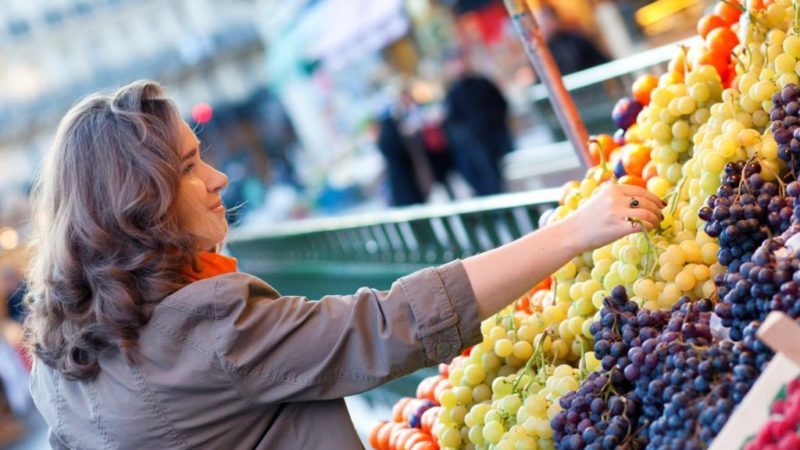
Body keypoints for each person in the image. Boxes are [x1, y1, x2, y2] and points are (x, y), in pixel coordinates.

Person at [23, 81, 664, 449]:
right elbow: (391, 326)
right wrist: (575, 232)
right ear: (141, 205)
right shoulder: (207, 325)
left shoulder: (58, 363)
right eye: (189, 169)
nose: (217, 178)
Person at [444, 53, 513, 196]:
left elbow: (501, 105)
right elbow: (453, 124)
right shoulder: (453, 94)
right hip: (476, 148)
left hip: (496, 140)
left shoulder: (483, 83)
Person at [534, 4, 610, 76]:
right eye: (542, 24)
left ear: (555, 20)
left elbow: (600, 61)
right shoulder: (542, 49)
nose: (545, 27)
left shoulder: (576, 40)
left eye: (547, 22)